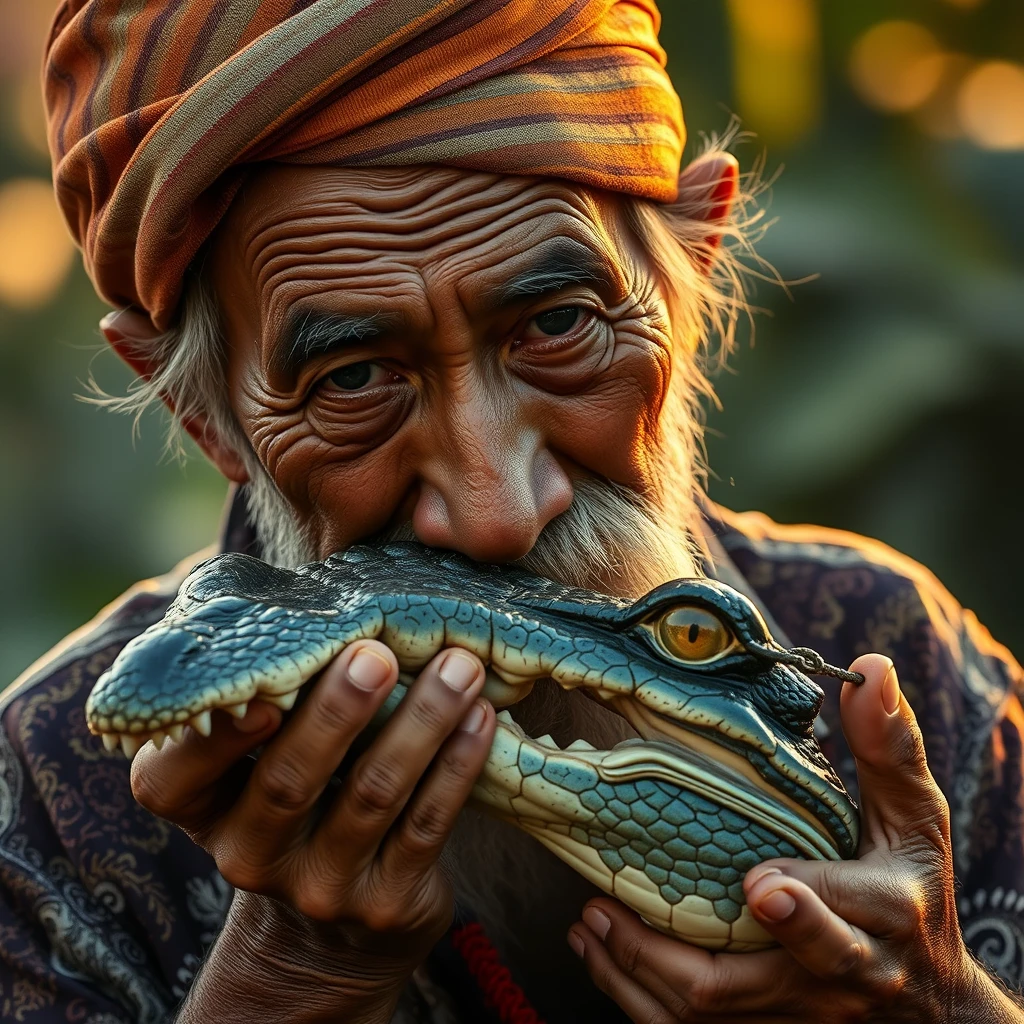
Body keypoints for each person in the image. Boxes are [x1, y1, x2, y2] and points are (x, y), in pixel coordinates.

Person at [2, 1, 1021, 1021]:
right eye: (354, 379)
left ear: (689, 275)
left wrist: (939, 1003)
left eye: (558, 324)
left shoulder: (900, 671)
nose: (493, 514)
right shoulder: (49, 804)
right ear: (206, 416)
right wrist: (287, 980)